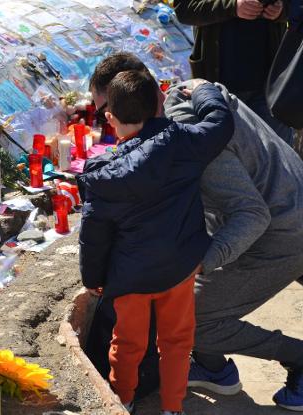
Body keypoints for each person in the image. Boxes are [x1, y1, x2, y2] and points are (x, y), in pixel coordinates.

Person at [88, 52, 303, 412]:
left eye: (107, 111)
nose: (108, 122)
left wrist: (198, 264)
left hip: (283, 230)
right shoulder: (189, 93)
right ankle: (213, 368)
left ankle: (297, 358)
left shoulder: (183, 137)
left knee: (190, 316)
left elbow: (250, 215)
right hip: (284, 207)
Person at [78, 69, 234, 415]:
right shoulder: (184, 143)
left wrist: (94, 280)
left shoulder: (103, 174)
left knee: (127, 343)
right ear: (160, 105)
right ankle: (173, 407)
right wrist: (204, 89)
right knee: (177, 342)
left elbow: (94, 234)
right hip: (179, 268)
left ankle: (123, 399)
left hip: (130, 276)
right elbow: (221, 122)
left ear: (109, 117)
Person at [174, 0, 294, 145]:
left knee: (280, 158)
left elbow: (296, 6)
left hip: (272, 87)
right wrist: (231, 7)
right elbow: (184, 10)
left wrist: (281, 11)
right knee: (229, 157)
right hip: (221, 86)